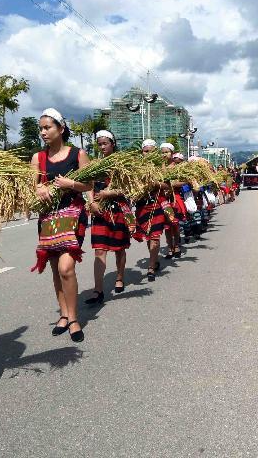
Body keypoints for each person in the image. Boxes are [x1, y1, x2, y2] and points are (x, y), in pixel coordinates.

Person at [30, 108, 92, 343]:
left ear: (61, 129)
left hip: (73, 214)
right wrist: (39, 188)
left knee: (67, 267)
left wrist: (71, 183)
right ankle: (64, 314)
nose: (43, 132)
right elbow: (31, 186)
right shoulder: (39, 158)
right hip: (48, 218)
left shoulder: (78, 154)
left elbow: (88, 185)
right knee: (56, 269)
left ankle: (74, 318)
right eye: (41, 128)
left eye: (48, 127)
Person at [84, 130, 133, 305]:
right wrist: (92, 203)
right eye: (100, 144)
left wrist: (108, 193)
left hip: (117, 209)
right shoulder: (95, 164)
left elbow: (128, 188)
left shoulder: (122, 164)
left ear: (113, 144)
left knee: (119, 248)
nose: (102, 147)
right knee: (99, 250)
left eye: (105, 143)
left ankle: (119, 277)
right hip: (99, 211)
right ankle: (98, 290)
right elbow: (88, 185)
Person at [135, 139, 165, 280]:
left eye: (151, 151)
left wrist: (154, 183)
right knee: (148, 236)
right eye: (145, 151)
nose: (148, 154)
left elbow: (167, 185)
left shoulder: (161, 166)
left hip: (156, 204)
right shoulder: (136, 166)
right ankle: (154, 259)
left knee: (155, 236)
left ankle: (151, 266)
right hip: (141, 205)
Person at [159, 143, 182, 259]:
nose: (164, 154)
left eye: (167, 152)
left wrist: (171, 185)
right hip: (163, 199)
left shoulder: (178, 167)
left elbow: (185, 181)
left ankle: (177, 245)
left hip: (174, 199)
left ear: (172, 153)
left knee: (175, 224)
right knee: (167, 226)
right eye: (162, 152)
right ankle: (169, 247)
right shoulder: (158, 168)